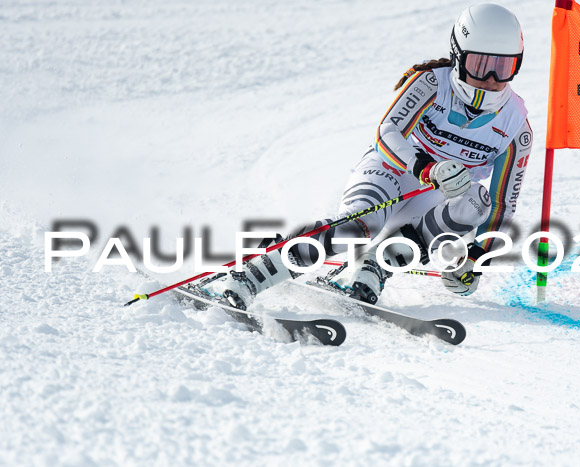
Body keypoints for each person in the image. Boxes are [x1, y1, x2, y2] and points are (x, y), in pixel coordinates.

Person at [203, 3, 533, 309]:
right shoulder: (432, 82)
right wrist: (427, 167)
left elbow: (502, 203)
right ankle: (251, 274)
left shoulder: (516, 126)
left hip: (431, 202)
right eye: (480, 65)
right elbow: (386, 134)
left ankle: (375, 265)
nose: (491, 80)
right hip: (391, 171)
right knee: (359, 227)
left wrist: (476, 258)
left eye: (502, 68)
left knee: (477, 199)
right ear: (458, 56)